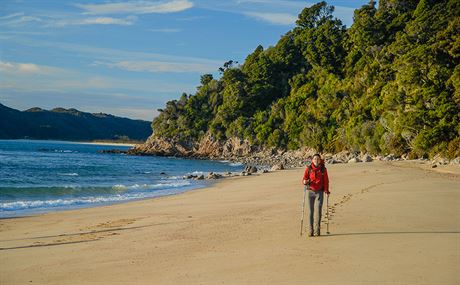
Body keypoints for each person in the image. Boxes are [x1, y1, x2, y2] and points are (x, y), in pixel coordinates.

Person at [302, 153, 330, 237]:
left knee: (318, 211)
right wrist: (304, 182)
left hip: (320, 192)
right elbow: (304, 179)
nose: (316, 160)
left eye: (318, 159)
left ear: (320, 160)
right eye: (314, 159)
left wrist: (326, 191)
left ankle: (317, 231)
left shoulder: (323, 169)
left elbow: (326, 181)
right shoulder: (308, 169)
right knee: (311, 212)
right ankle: (311, 231)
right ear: (312, 160)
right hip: (310, 192)